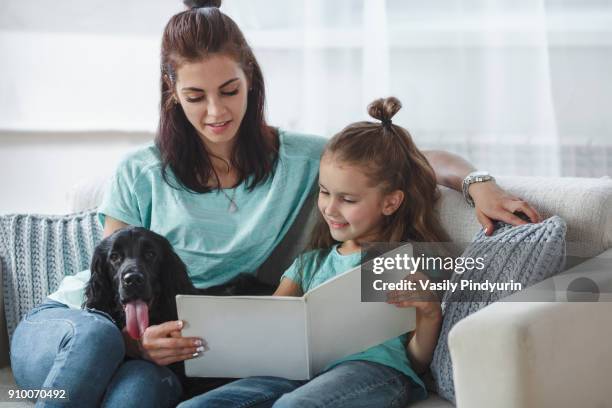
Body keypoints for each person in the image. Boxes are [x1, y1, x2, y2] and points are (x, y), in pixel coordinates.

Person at [9, 1, 541, 407]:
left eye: (230, 90)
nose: (216, 112)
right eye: (195, 97)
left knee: (140, 395)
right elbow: (110, 280)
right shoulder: (138, 172)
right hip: (78, 322)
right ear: (173, 93)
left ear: (251, 80)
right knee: (102, 343)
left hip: (176, 350)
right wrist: (133, 344)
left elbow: (403, 156)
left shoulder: (304, 161)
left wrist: (478, 183)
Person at [178, 96, 446, 408]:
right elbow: (266, 326)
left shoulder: (400, 263)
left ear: (390, 202)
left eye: (347, 199)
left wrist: (430, 314)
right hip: (300, 372)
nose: (330, 208)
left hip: (373, 371)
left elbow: (415, 362)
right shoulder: (308, 265)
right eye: (324, 192)